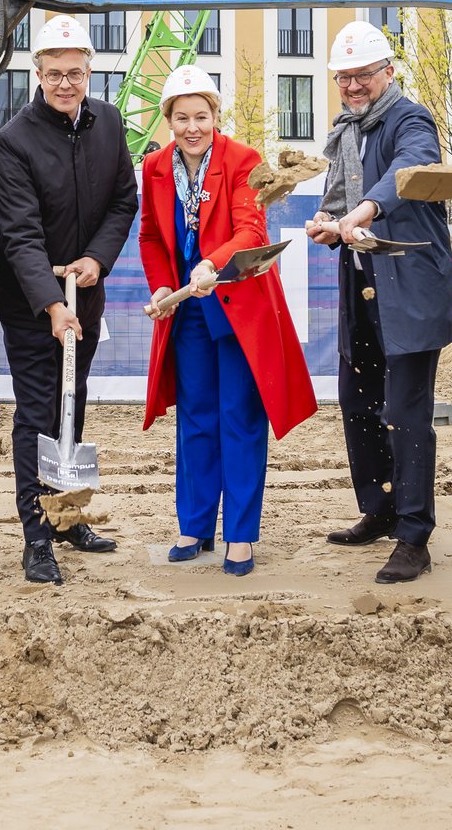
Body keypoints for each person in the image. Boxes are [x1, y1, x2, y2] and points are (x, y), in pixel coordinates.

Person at [140, 66, 316, 575]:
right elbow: (152, 236)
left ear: (216, 116)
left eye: (201, 116)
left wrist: (211, 263)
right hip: (189, 309)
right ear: (168, 120)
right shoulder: (154, 168)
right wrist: (161, 285)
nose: (191, 127)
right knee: (196, 417)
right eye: (181, 117)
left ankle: (241, 535)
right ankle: (194, 526)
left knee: (239, 418)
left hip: (239, 306)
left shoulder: (243, 161)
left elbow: (250, 229)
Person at [306, 21, 452, 584]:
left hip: (408, 292)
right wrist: (329, 222)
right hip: (363, 286)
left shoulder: (409, 119)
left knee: (407, 413)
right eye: (344, 78)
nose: (353, 86)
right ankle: (380, 508)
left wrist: (364, 211)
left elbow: (408, 170)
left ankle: (414, 535)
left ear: (387, 73)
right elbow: (342, 199)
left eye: (363, 75)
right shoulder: (347, 131)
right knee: (358, 399)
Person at [0, 14, 138, 584]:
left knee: (72, 406)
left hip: (86, 293)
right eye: (53, 74)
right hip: (32, 304)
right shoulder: (14, 140)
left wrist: (96, 261)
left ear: (89, 70)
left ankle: (66, 518)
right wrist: (52, 304)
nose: (65, 84)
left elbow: (123, 201)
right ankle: (36, 537)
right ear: (38, 72)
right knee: (38, 413)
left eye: (75, 73)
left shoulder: (109, 123)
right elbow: (21, 234)